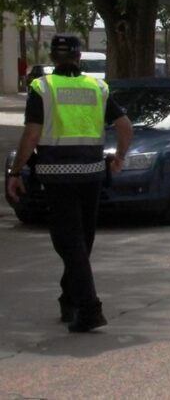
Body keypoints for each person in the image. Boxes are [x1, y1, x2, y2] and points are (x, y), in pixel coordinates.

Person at [5, 35, 133, 332]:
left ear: (52, 57)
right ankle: (69, 299)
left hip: (57, 175)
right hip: (91, 174)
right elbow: (125, 127)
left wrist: (15, 172)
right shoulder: (96, 87)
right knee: (81, 241)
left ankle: (89, 308)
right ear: (78, 58)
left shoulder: (43, 87)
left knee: (68, 241)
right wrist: (120, 157)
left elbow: (32, 135)